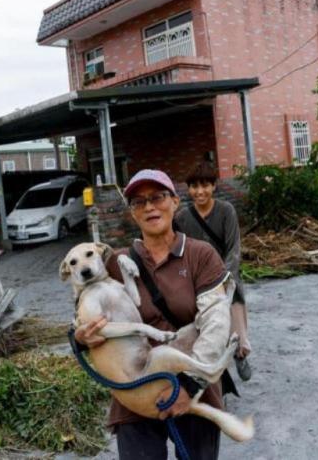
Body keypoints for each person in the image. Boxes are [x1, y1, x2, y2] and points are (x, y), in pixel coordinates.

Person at [75, 169, 234, 460]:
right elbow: (87, 315)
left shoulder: (201, 255)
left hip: (192, 386)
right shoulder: (114, 263)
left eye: (158, 197)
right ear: (132, 213)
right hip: (134, 392)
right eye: (138, 201)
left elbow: (217, 321)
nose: (149, 207)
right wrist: (80, 338)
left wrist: (188, 386)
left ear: (175, 201)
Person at [174, 162, 252, 381]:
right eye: (194, 186)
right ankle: (212, 371)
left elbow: (233, 249)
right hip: (197, 282)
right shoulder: (182, 218)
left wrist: (224, 280)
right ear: (188, 189)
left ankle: (240, 354)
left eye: (205, 185)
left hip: (227, 278)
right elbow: (179, 251)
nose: (200, 192)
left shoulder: (226, 211)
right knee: (202, 329)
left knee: (235, 323)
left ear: (214, 186)